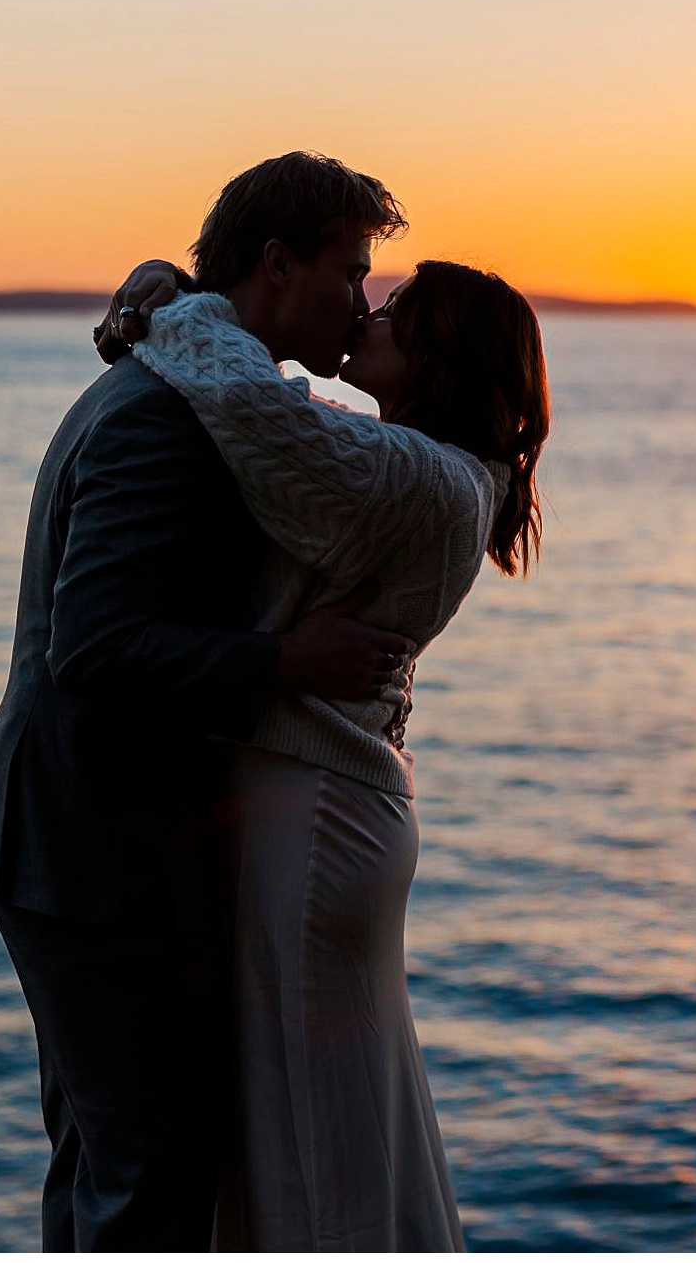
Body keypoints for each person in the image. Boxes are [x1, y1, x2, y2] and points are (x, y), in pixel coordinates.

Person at [0, 151, 415, 1250]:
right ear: (275, 262)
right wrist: (288, 660)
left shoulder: (197, 383)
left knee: (108, 1159)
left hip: (74, 840)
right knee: (151, 1170)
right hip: (93, 845)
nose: (363, 301)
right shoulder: (166, 416)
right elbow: (96, 644)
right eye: (350, 271)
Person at [101, 244, 549, 1250]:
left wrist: (169, 305)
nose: (368, 317)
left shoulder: (417, 476)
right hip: (326, 802)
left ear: (440, 358)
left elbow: (252, 408)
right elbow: (274, 424)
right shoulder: (423, 470)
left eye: (397, 314)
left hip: (313, 814)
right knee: (327, 1116)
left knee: (310, 1129)